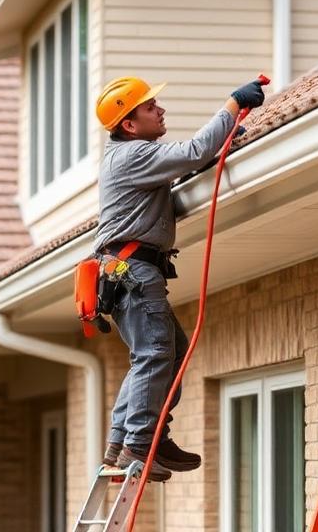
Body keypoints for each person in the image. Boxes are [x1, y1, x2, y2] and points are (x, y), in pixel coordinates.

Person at [93, 76, 266, 481]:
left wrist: (209, 153)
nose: (161, 109)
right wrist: (233, 104)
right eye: (150, 107)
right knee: (155, 353)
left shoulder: (133, 155)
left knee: (165, 352)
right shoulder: (132, 155)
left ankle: (126, 443)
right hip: (133, 271)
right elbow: (192, 151)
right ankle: (141, 439)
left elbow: (188, 160)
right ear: (130, 124)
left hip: (127, 271)